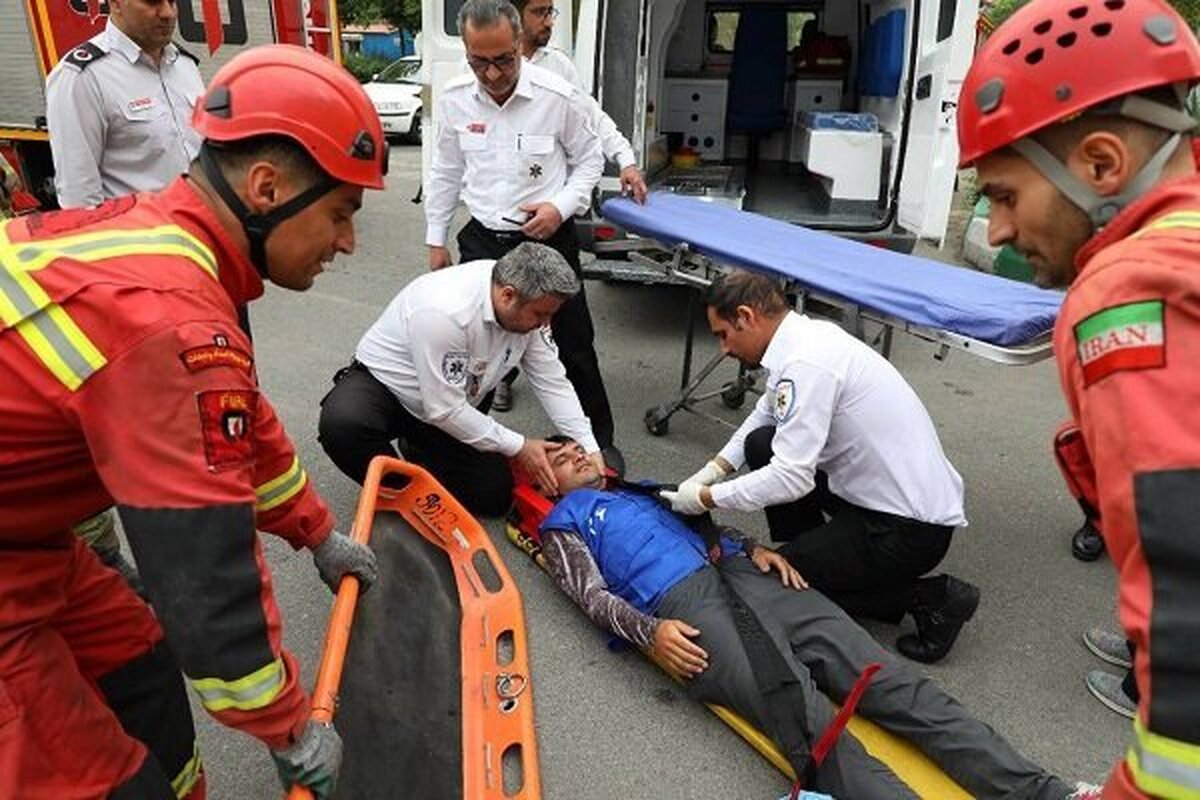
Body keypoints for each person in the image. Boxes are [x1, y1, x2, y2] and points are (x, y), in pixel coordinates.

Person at [0, 45, 384, 799]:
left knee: (138, 663)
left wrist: (317, 532)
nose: (347, 243)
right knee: (98, 783)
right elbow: (208, 581)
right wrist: (289, 726)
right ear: (267, 189)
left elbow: (241, 429)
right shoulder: (170, 319)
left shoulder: (171, 248)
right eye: (340, 213)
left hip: (24, 541)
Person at [533, 438, 1096, 800]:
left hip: (743, 575)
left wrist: (752, 547)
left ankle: (1048, 794)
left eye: (576, 449)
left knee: (888, 679)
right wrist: (650, 632)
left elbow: (706, 526)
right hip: (686, 608)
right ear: (544, 484)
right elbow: (590, 594)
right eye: (558, 458)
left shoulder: (646, 490)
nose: (575, 455)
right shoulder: (565, 522)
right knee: (814, 726)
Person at [960, 0, 1200, 795]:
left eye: (1002, 195)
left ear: (1100, 165)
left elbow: (1187, 572)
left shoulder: (1133, 293)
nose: (994, 232)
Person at [660, 270, 978, 663]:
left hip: (908, 530)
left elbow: (791, 478)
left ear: (746, 316)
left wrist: (707, 498)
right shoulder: (805, 338)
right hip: (885, 498)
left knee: (777, 582)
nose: (724, 349)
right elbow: (763, 414)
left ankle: (933, 598)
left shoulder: (808, 363)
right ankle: (815, 552)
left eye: (723, 334)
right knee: (764, 444)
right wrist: (712, 469)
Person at [425, 0, 618, 457]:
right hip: (484, 241)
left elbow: (590, 159)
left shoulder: (556, 96)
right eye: (479, 62)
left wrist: (561, 206)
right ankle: (469, 452)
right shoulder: (454, 96)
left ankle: (599, 445)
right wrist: (435, 240)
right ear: (466, 52)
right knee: (476, 350)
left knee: (573, 346)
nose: (492, 75)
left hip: (547, 240)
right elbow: (445, 170)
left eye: (503, 60)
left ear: (519, 45)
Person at [319, 242, 605, 517]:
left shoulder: (527, 300)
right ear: (507, 295)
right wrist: (520, 446)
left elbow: (551, 381)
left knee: (493, 496)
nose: (546, 324)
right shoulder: (445, 311)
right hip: (388, 392)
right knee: (344, 424)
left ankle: (418, 447)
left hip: (453, 400)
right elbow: (443, 410)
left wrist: (589, 446)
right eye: (541, 314)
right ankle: (400, 494)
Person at [45, 0, 205, 210]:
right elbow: (79, 199)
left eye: (172, 1)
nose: (168, 13)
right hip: (142, 238)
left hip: (201, 231)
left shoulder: (185, 65)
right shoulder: (83, 77)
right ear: (116, 4)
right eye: (152, 2)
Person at [511, 0, 648, 204]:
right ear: (513, 15)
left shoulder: (558, 65)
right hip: (502, 205)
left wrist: (626, 161)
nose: (549, 22)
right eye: (539, 13)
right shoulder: (484, 66)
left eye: (550, 12)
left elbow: (591, 116)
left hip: (551, 205)